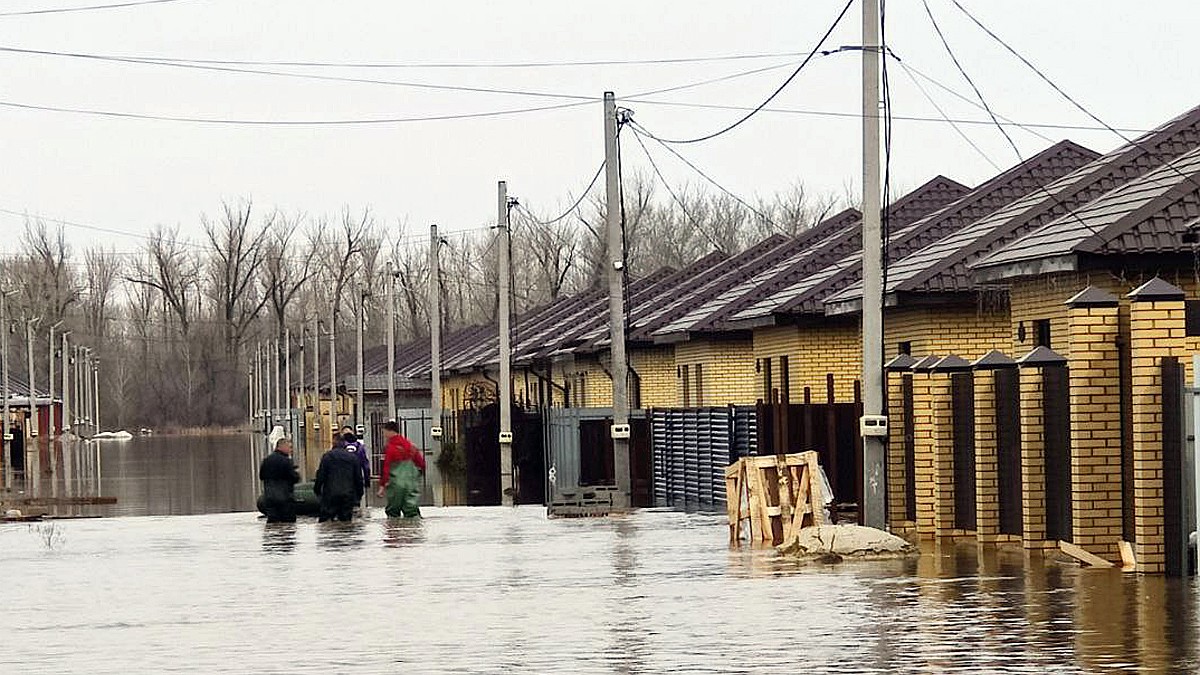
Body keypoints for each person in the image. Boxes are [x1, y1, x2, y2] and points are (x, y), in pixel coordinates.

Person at [377, 420, 425, 518]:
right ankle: (414, 532)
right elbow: (422, 464)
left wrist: (382, 486)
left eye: (384, 432)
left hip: (395, 486)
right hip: (411, 485)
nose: (384, 435)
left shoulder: (389, 448)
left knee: (393, 514)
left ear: (389, 431)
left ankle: (394, 532)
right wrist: (417, 478)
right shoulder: (411, 446)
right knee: (412, 513)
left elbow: (385, 468)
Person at [314, 435, 365, 522]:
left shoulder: (327, 457)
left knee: (325, 522)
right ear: (344, 444)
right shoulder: (353, 458)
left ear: (333, 443)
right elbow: (358, 478)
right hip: (347, 495)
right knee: (345, 523)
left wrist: (317, 490)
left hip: (330, 495)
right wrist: (359, 495)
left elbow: (321, 475)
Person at [258, 437, 300, 523]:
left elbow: (261, 476)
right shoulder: (286, 461)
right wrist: (297, 474)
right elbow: (294, 478)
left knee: (273, 522)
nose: (290, 450)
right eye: (289, 447)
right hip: (285, 498)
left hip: (270, 497)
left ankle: (274, 535)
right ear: (282, 447)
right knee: (289, 523)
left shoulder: (266, 460)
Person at [339, 425, 372, 494]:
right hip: (356, 477)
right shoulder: (359, 446)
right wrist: (367, 480)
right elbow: (365, 465)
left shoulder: (339, 446)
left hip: (342, 479)